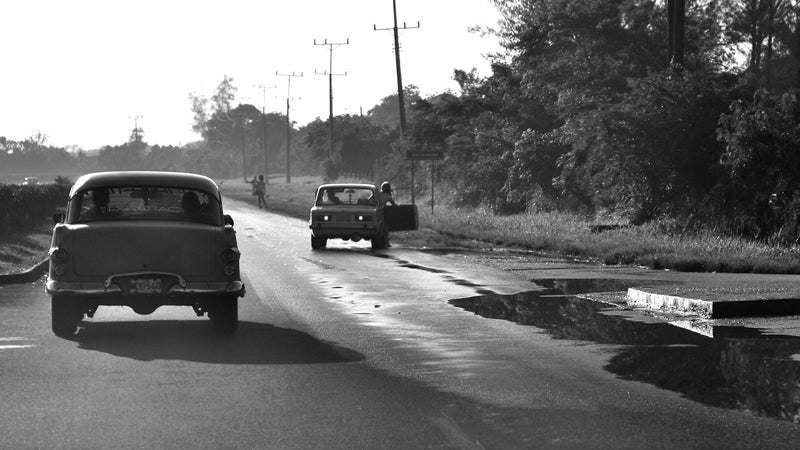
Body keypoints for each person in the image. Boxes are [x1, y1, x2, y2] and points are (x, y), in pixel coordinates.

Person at [377, 181, 396, 247]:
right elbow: (394, 204)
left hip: (375, 211)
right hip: (381, 212)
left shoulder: (377, 194)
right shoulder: (388, 196)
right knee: (385, 227)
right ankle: (387, 242)